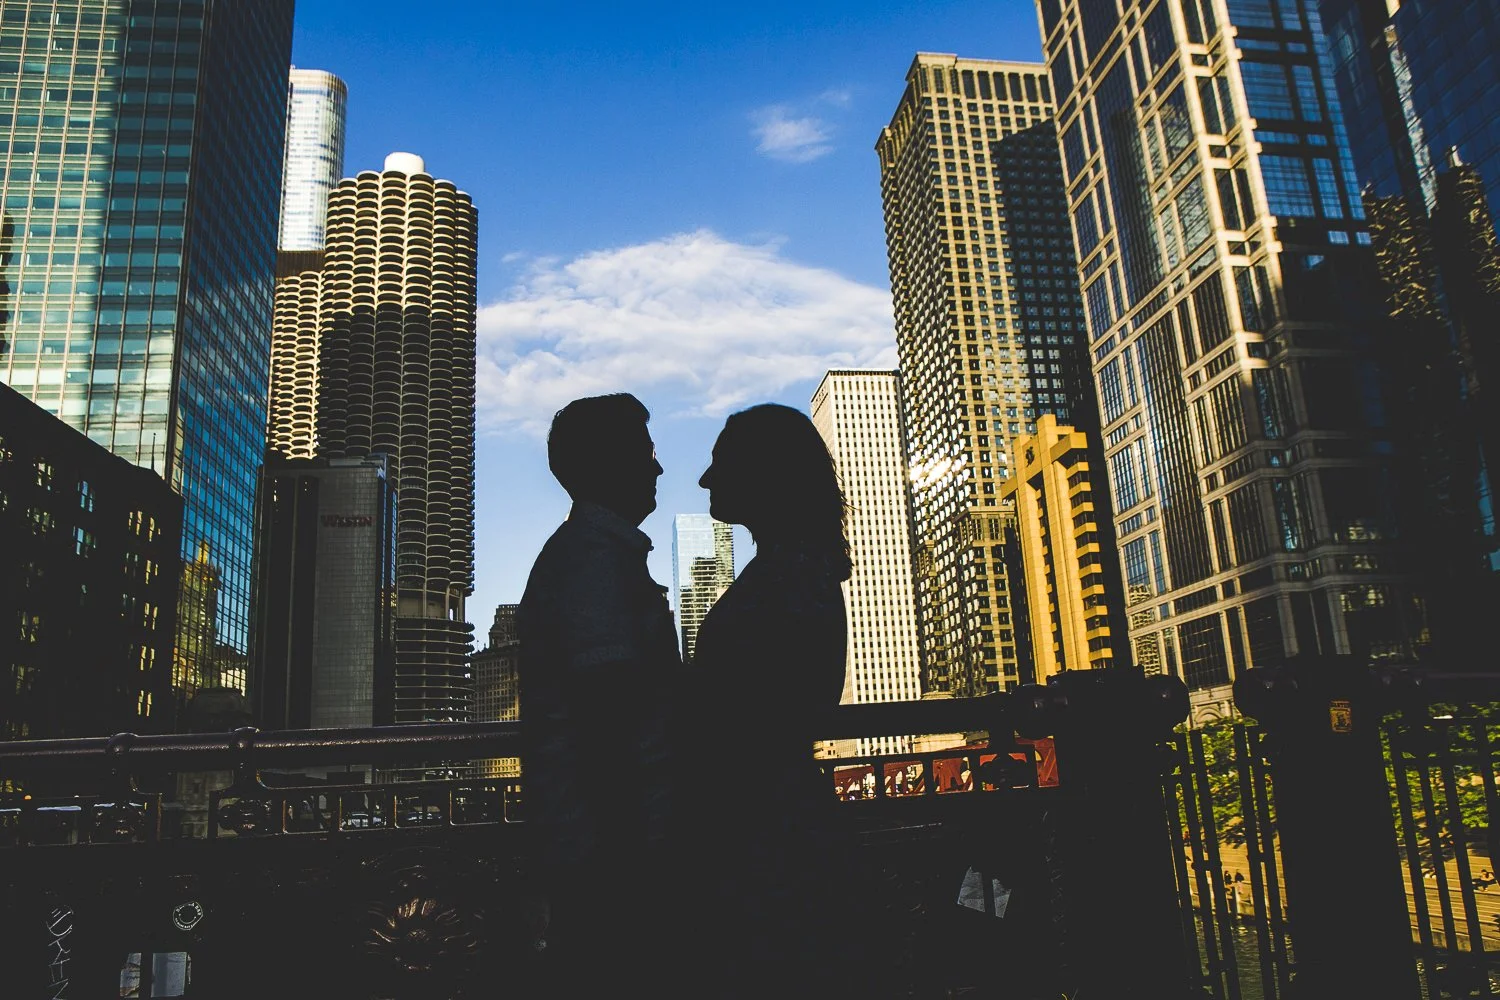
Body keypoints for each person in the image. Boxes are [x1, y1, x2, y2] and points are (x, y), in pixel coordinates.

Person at [678, 403, 852, 997]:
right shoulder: (795, 571)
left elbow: (765, 708)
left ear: (765, 474)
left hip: (760, 841)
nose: (704, 479)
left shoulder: (790, 578)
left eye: (719, 464)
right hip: (771, 826)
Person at [517, 393, 680, 996]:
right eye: (646, 452)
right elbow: (608, 725)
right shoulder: (593, 565)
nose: (658, 468)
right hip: (615, 860)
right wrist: (643, 856)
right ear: (610, 463)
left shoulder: (597, 557)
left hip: (604, 853)